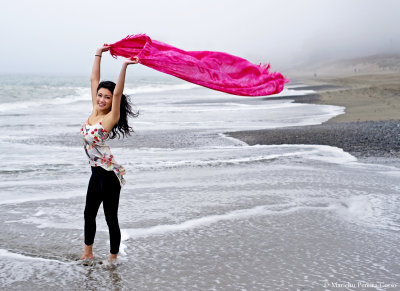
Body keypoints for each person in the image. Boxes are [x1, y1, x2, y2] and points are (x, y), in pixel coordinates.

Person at [80, 45, 139, 262]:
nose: (102, 99)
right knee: (88, 214)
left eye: (106, 97)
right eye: (100, 96)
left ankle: (113, 259)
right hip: (96, 172)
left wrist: (124, 66)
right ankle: (87, 253)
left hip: (110, 175)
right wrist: (98, 53)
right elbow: (93, 79)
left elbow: (118, 92)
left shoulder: (109, 118)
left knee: (110, 218)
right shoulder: (94, 112)